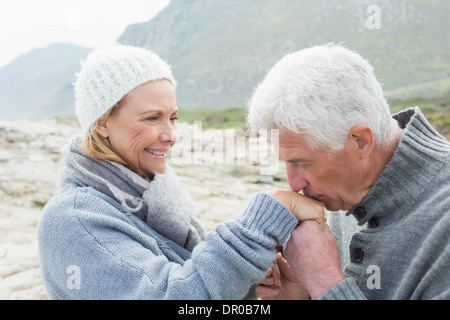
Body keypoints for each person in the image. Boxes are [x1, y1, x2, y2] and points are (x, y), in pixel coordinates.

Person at [37, 44, 325, 300]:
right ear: (102, 123)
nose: (172, 134)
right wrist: (263, 220)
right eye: (153, 118)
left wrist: (265, 294)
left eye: (173, 118)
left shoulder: (159, 197)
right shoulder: (73, 219)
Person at [248, 44, 450, 300]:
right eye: (286, 162)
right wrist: (303, 295)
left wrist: (324, 280)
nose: (294, 183)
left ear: (361, 141)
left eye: (303, 162)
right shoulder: (351, 189)